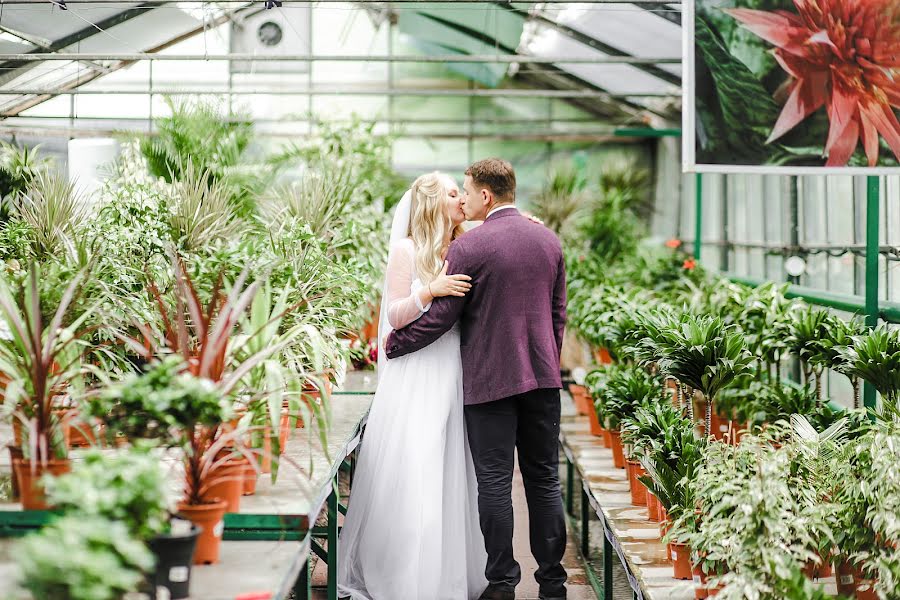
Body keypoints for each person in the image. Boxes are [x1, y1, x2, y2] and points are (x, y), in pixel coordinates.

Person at [386, 158, 569, 600]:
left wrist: (396, 344)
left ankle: (502, 583)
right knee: (544, 479)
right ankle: (553, 585)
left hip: (489, 384)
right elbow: (558, 315)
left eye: (466, 192)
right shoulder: (548, 240)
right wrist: (546, 361)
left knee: (494, 482)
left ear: (485, 195)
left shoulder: (469, 248)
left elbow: (444, 317)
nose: (463, 200)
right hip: (543, 381)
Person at [338, 172, 488, 600]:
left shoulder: (462, 246)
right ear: (431, 202)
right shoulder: (406, 250)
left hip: (451, 369)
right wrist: (431, 291)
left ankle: (447, 574)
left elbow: (498, 227)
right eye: (453, 193)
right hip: (416, 371)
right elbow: (395, 317)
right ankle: (407, 577)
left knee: (450, 466)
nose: (462, 199)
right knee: (417, 464)